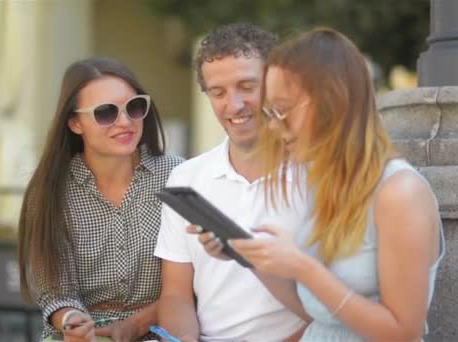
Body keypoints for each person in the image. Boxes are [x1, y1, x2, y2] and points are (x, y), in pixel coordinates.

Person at [229, 27, 445, 341]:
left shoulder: (400, 193)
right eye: (269, 113)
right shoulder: (327, 185)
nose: (274, 126)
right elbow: (322, 314)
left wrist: (304, 268)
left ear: (333, 101)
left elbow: (403, 332)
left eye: (283, 110)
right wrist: (252, 259)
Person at [154, 23, 308, 341]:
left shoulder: (317, 175)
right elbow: (176, 295)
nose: (233, 105)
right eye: (218, 92)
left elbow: (337, 307)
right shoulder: (187, 178)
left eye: (247, 86)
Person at [17, 57, 183, 342]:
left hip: (162, 329)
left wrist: (137, 324)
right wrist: (72, 321)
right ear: (75, 123)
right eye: (105, 112)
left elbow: (192, 281)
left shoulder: (177, 176)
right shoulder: (49, 190)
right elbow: (54, 290)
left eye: (134, 107)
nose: (125, 121)